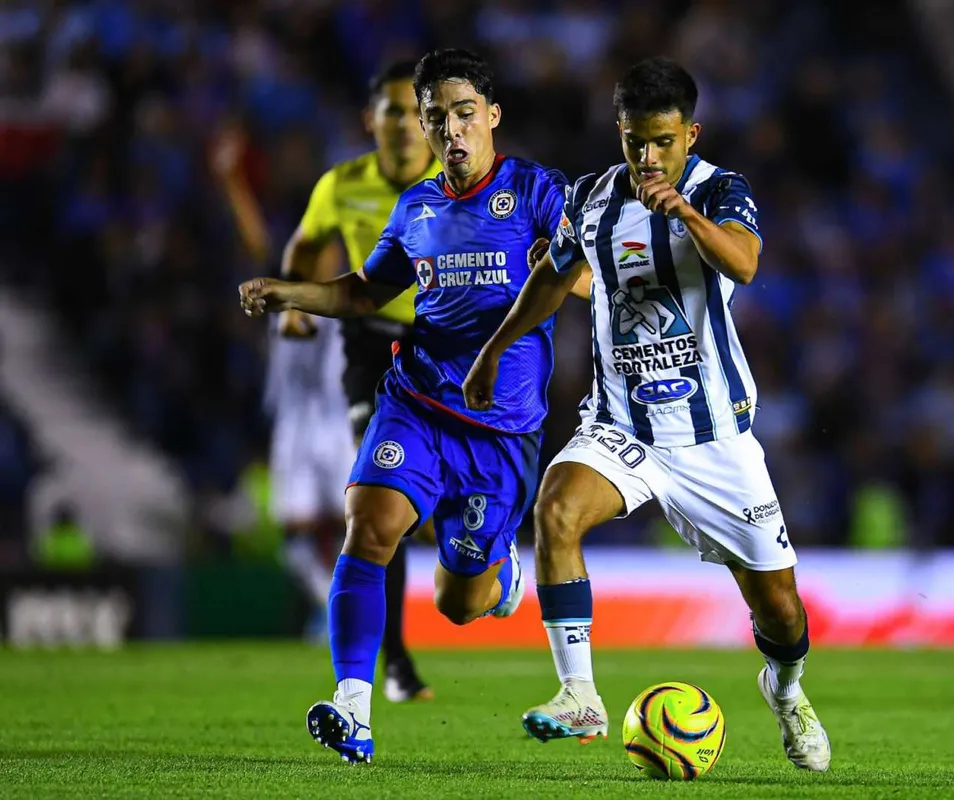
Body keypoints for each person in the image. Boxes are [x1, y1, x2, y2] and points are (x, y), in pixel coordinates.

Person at [463, 57, 832, 772]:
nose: (649, 157)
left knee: (781, 612)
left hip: (712, 437)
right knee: (556, 510)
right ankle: (579, 695)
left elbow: (745, 264)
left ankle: (786, 690)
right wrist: (493, 351)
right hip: (621, 426)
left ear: (690, 134)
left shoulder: (719, 190)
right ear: (620, 133)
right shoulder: (591, 198)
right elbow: (555, 278)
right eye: (636, 142)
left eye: (664, 141)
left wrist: (684, 214)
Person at [239, 48, 584, 766]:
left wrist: (565, 267)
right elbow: (366, 291)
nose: (451, 130)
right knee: (369, 526)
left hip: (500, 431)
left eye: (465, 113)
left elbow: (586, 273)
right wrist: (290, 292)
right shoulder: (416, 208)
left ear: (492, 116)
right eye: (437, 118)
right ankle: (353, 708)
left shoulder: (536, 191)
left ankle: (497, 577)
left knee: (459, 603)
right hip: (417, 401)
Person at [213, 61, 440, 702]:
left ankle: (477, 558)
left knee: (438, 512)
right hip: (365, 360)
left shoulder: (455, 183)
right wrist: (290, 304)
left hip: (443, 348)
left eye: (413, 111)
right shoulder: (341, 188)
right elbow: (295, 249)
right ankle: (389, 655)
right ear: (371, 120)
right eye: (391, 110)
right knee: (377, 503)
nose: (403, 124)